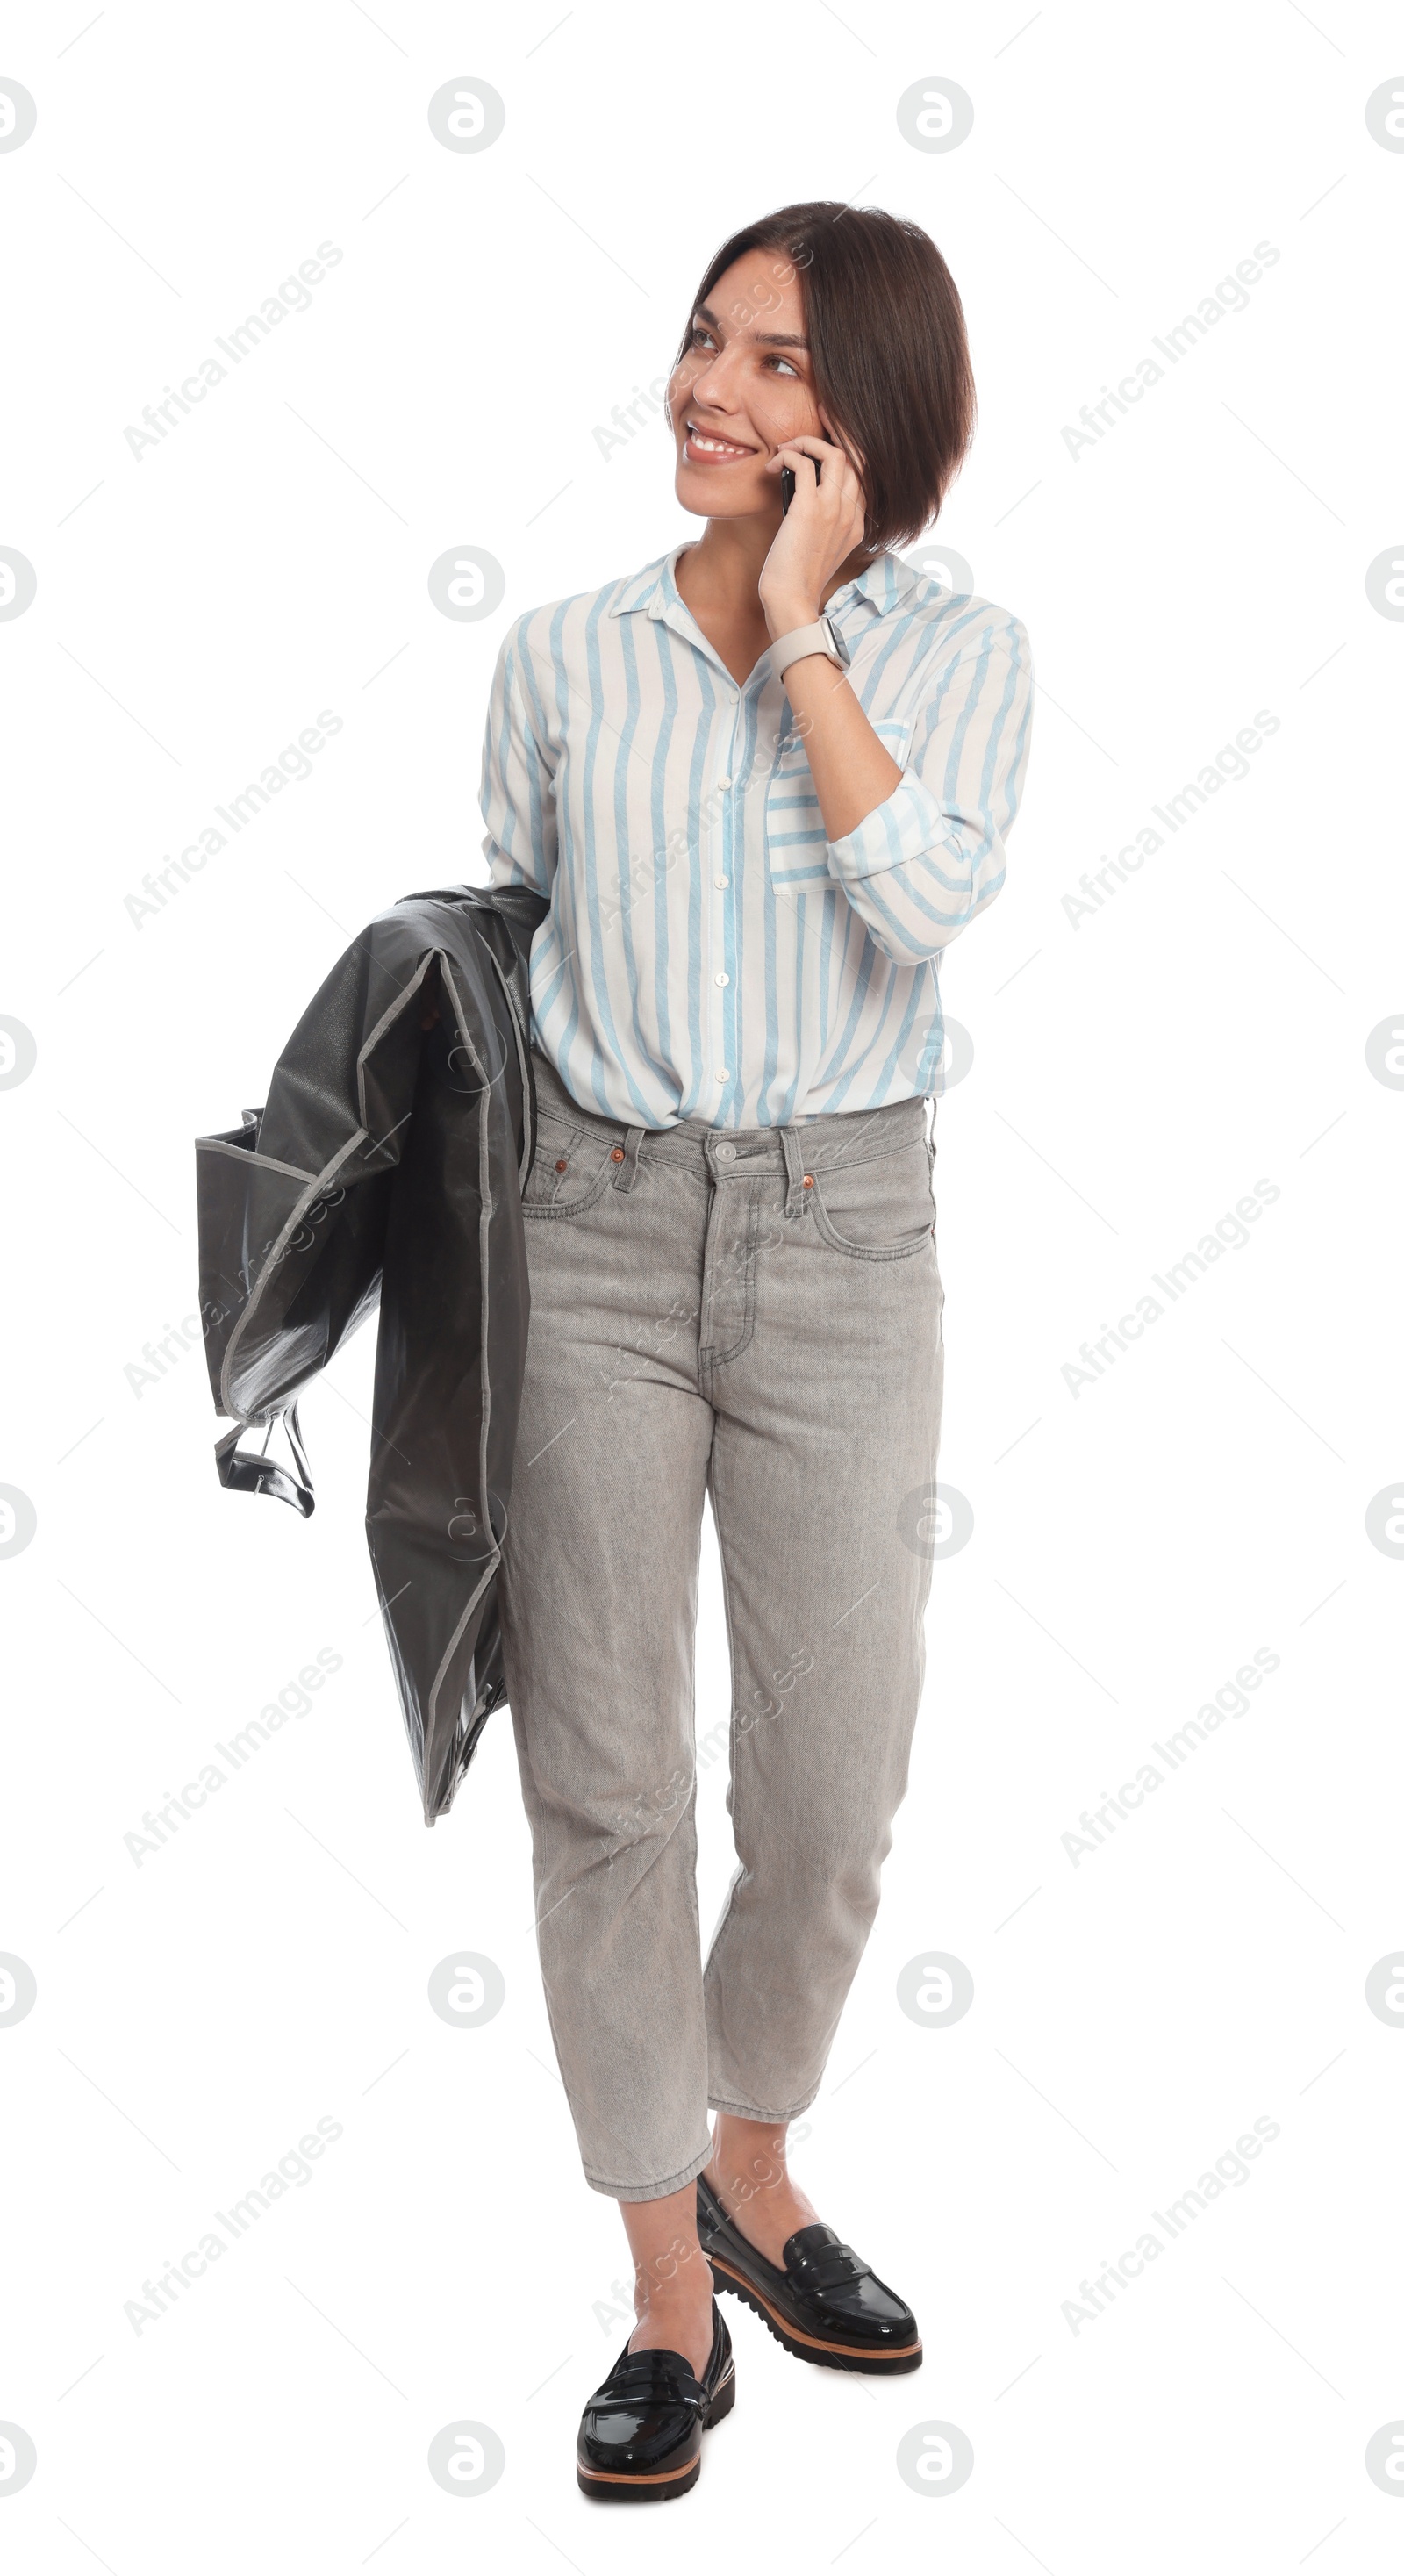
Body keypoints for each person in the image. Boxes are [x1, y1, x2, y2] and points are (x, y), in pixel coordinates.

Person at [479, 199, 1034, 2501]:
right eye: (707, 340)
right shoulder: (561, 655)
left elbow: (918, 902)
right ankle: (668, 2292)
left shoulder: (964, 654)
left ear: (870, 414)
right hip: (592, 1239)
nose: (713, 386)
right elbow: (512, 925)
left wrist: (804, 633)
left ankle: (756, 2151)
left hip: (841, 1240)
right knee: (606, 1782)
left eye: (779, 362)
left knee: (828, 1790)